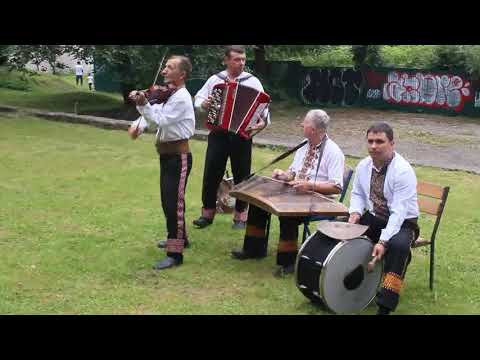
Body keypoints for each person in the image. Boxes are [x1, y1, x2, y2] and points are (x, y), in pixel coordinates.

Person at [231, 109, 345, 277]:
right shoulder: (304, 144)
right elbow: (293, 172)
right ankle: (254, 249)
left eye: (304, 123)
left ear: (313, 129)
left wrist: (310, 186)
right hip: (297, 193)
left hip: (319, 200)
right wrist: (284, 175)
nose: (301, 125)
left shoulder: (333, 152)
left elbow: (336, 187)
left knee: (288, 214)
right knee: (259, 201)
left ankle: (288, 262)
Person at [192, 45, 270, 230]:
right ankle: (207, 214)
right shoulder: (215, 80)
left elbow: (264, 110)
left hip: (241, 136)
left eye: (243, 60)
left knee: (242, 176)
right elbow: (197, 99)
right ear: (226, 60)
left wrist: (262, 123)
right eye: (236, 59)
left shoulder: (253, 82)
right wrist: (204, 103)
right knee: (211, 173)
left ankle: (240, 217)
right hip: (218, 133)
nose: (241, 63)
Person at [128, 55, 195, 271]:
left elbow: (161, 119)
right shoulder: (169, 94)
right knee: (169, 201)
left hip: (179, 157)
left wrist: (143, 104)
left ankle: (175, 254)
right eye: (165, 67)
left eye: (170, 67)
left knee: (173, 203)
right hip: (167, 156)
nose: (164, 71)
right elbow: (154, 112)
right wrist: (139, 122)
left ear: (182, 74)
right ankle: (181, 238)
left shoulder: (181, 98)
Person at [348, 122, 420, 315]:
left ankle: (385, 305)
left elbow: (398, 213)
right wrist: (354, 213)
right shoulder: (364, 165)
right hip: (375, 217)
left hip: (404, 223)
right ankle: (348, 286)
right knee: (345, 232)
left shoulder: (403, 171)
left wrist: (383, 241)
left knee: (397, 247)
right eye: (370, 141)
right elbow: (357, 194)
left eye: (379, 141)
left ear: (392, 143)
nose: (373, 146)